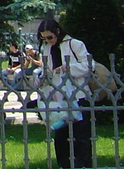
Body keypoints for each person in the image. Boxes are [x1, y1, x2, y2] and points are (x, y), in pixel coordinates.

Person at [38, 18, 92, 168]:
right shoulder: (47, 48)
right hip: (59, 99)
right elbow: (48, 69)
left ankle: (83, 165)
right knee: (61, 137)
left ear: (58, 32)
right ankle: (64, 165)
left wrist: (67, 68)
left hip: (78, 95)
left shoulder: (74, 44)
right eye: (44, 38)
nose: (48, 41)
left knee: (81, 136)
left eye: (50, 37)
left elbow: (88, 65)